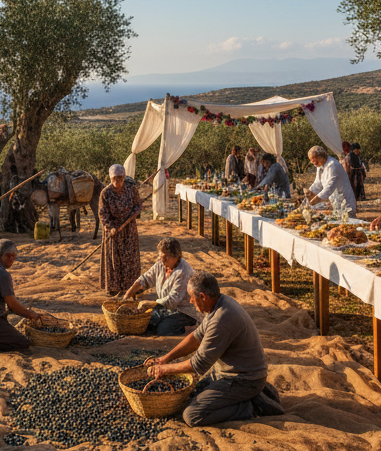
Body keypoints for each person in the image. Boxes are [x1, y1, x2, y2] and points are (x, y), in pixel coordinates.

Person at [147, 271, 283, 427]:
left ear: (203, 296)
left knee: (192, 415)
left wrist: (163, 370)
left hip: (244, 379)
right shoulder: (220, 303)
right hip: (230, 372)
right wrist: (164, 359)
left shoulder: (221, 319)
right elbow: (195, 338)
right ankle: (247, 397)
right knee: (193, 393)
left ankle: (249, 407)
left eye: (192, 297)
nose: (191, 301)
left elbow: (198, 365)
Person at [121, 238, 196, 336]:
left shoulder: (183, 272)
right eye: (161, 257)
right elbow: (145, 279)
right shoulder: (161, 264)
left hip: (182, 311)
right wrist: (129, 293)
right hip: (164, 308)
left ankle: (190, 327)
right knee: (144, 323)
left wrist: (151, 303)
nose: (162, 260)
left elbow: (173, 300)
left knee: (164, 330)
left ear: (176, 256)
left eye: (166, 257)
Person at [98, 164, 143, 296]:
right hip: (113, 231)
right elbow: (102, 213)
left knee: (130, 258)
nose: (118, 182)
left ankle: (131, 287)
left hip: (129, 230)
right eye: (115, 179)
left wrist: (135, 212)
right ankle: (114, 288)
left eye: (121, 178)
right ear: (111, 178)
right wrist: (110, 227)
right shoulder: (105, 193)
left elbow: (137, 204)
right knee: (114, 259)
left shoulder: (131, 189)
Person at [303, 146, 357, 214]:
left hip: (344, 201)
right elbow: (317, 184)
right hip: (335, 201)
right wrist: (307, 196)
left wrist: (317, 199)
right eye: (312, 162)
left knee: (347, 221)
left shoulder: (333, 165)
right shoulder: (320, 165)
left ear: (322, 157)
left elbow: (330, 186)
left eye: (315, 161)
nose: (315, 163)